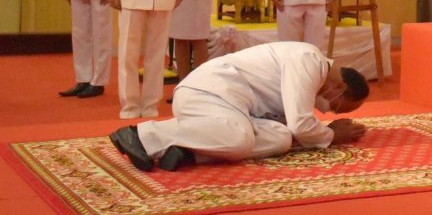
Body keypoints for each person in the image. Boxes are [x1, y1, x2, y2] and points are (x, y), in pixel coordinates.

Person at [108, 41, 368, 172]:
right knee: (240, 138)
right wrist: (333, 135)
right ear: (340, 89)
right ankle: (142, 135)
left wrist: (315, 134)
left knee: (281, 139)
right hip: (209, 92)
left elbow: (291, 127)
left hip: (232, 109)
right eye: (338, 108)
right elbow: (300, 122)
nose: (329, 111)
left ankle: (188, 150)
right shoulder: (309, 61)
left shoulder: (316, 73)